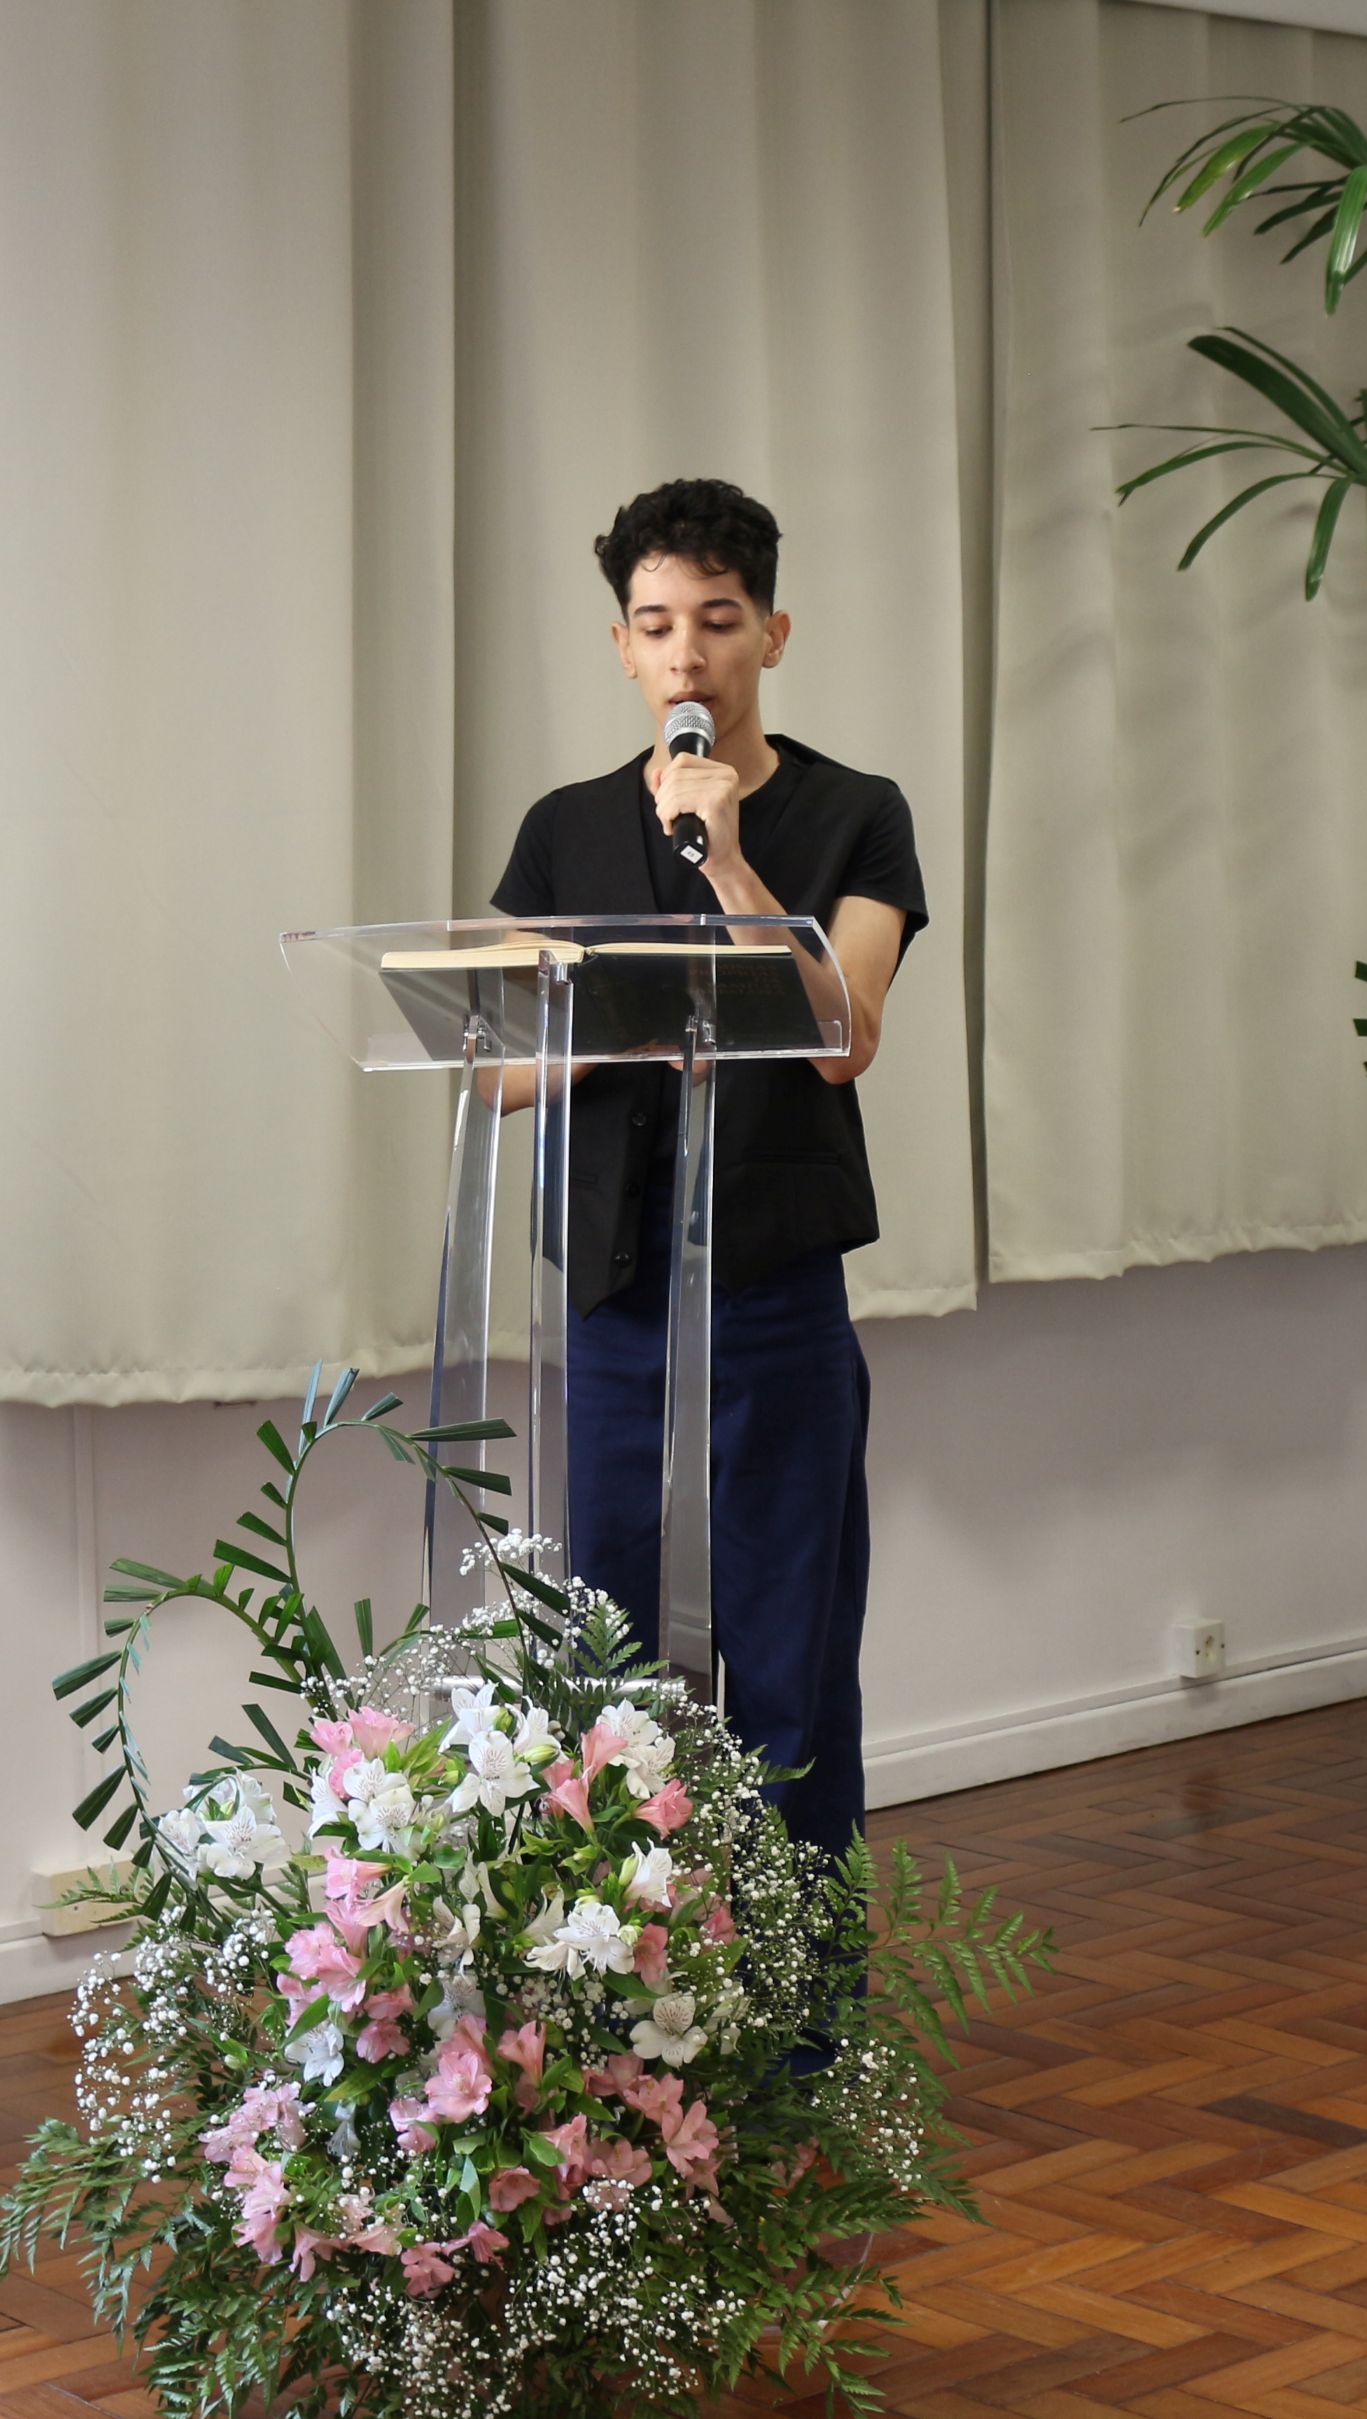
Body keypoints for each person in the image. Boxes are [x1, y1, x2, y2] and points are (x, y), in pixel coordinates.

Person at [489, 479, 921, 1858]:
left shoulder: (856, 812)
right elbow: (494, 1064)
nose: (688, 656)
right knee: (610, 1676)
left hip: (776, 1301)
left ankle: (803, 1983)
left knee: (791, 1666)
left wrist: (729, 865)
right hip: (612, 1305)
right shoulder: (563, 827)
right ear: (621, 646)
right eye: (658, 624)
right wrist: (634, 1023)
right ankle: (634, 1968)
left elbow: (843, 1037)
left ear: (771, 635)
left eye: (719, 621)